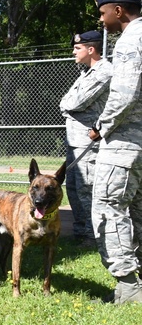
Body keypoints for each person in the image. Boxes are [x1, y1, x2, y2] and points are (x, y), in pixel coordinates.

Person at [89, 0, 142, 304]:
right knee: (136, 210)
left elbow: (125, 93)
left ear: (118, 11)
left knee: (108, 207)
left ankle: (127, 288)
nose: (101, 17)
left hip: (124, 143)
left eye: (102, 11)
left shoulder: (130, 40)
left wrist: (101, 125)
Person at [59, 30, 111, 243]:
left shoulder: (104, 72)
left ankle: (90, 235)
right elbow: (65, 102)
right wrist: (67, 105)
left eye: (77, 48)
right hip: (76, 141)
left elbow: (73, 103)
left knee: (85, 188)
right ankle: (82, 231)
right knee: (73, 186)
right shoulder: (87, 72)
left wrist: (67, 106)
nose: (73, 51)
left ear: (91, 49)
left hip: (88, 143)